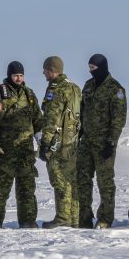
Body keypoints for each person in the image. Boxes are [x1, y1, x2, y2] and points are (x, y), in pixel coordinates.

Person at [0, 61, 42, 228]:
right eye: (15, 75)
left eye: (21, 75)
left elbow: (37, 119)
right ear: (9, 75)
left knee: (27, 189)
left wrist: (40, 138)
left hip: (25, 150)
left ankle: (28, 221)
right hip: (6, 149)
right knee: (0, 189)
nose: (18, 79)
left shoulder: (29, 94)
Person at [76, 54, 127, 229]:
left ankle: (105, 218)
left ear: (102, 67)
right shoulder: (88, 86)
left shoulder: (116, 89)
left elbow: (118, 119)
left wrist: (111, 142)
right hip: (86, 142)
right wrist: (80, 134)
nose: (91, 72)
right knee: (82, 179)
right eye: (89, 68)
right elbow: (83, 111)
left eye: (94, 68)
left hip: (104, 143)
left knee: (105, 182)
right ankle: (84, 217)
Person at [38, 56, 82, 229]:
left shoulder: (56, 90)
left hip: (58, 144)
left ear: (51, 70)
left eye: (45, 70)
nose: (43, 73)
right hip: (72, 144)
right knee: (71, 180)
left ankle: (63, 217)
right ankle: (74, 217)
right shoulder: (75, 88)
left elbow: (52, 119)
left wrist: (45, 144)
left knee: (59, 179)